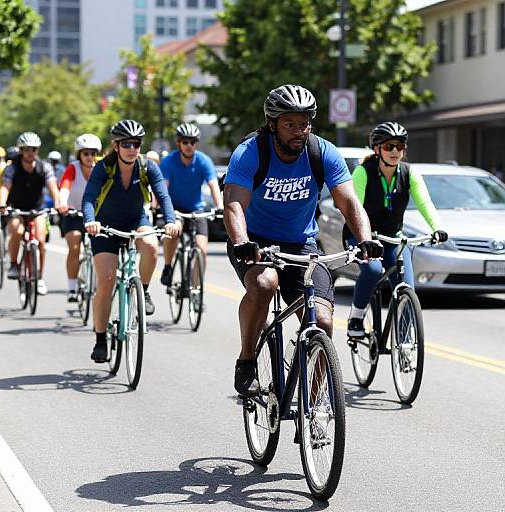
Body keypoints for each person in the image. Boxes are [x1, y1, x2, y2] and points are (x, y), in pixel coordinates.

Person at [223, 84, 382, 397]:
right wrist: (242, 241)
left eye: (304, 124)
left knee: (322, 320)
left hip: (302, 244)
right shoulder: (251, 151)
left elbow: (349, 203)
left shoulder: (322, 152)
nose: (298, 131)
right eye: (289, 124)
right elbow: (234, 204)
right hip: (254, 242)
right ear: (273, 124)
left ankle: (315, 405)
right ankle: (246, 358)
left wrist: (365, 239)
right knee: (265, 284)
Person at [82, 119, 179, 363]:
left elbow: (163, 195)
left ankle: (143, 292)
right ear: (116, 146)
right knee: (106, 281)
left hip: (136, 219)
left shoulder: (148, 166)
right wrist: (90, 221)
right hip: (104, 225)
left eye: (136, 143)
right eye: (126, 143)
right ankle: (101, 339)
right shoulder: (104, 167)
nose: (132, 148)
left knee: (150, 245)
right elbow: (88, 198)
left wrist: (170, 220)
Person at [345, 122, 448, 339]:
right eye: (389, 146)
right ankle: (356, 317)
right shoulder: (363, 173)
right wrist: (364, 238)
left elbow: (425, 203)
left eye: (400, 147)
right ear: (377, 149)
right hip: (361, 236)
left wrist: (437, 228)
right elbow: (355, 208)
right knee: (373, 271)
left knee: (406, 287)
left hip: (392, 238)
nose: (395, 151)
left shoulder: (409, 173)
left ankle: (405, 341)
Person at [0, 132, 62, 295]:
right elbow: (5, 187)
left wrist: (58, 203)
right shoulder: (12, 168)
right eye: (26, 149)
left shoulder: (44, 167)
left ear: (37, 150)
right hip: (16, 208)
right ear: (20, 150)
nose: (30, 153)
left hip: (37, 208)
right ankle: (13, 264)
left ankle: (39, 278)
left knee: (41, 240)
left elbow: (53, 186)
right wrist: (2, 204)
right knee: (17, 231)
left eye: (33, 149)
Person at [159, 123, 223, 286]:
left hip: (196, 209)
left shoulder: (204, 161)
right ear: (178, 143)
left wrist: (220, 206)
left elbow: (213, 185)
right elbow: (162, 188)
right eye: (185, 142)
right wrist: (159, 207)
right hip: (174, 208)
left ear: (197, 144)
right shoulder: (168, 161)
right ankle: (168, 266)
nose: (189, 145)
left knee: (201, 250)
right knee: (173, 232)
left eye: (192, 142)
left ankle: (195, 289)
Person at [58, 134, 102, 302]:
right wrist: (62, 203)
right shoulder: (73, 168)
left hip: (97, 216)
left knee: (102, 250)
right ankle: (72, 288)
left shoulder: (102, 167)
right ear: (79, 155)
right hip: (74, 213)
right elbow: (65, 186)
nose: (90, 157)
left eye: (93, 153)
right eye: (86, 154)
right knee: (75, 246)